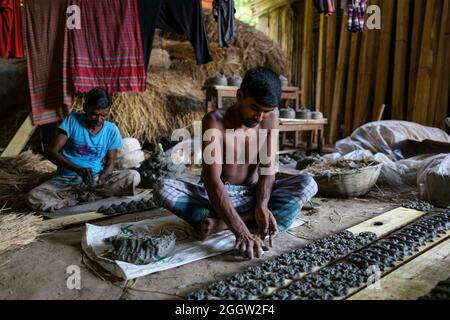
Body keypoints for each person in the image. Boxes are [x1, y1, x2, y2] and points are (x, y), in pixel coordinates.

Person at [154, 67, 318, 259]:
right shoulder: (214, 121)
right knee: (162, 188)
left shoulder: (270, 119)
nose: (260, 117)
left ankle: (226, 222)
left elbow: (268, 170)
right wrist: (241, 231)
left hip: (253, 194)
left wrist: (262, 206)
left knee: (308, 184)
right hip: (217, 197)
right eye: (255, 108)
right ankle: (244, 220)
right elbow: (212, 180)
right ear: (239, 96)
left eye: (267, 111)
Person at [28, 88, 141, 212]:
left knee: (133, 176)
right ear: (85, 107)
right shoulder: (72, 121)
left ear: (109, 111)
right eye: (94, 114)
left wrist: (103, 177)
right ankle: (78, 199)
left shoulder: (111, 130)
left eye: (103, 115)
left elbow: (110, 163)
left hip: (95, 181)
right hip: (67, 180)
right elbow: (51, 152)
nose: (98, 120)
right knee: (34, 196)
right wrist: (78, 169)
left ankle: (81, 198)